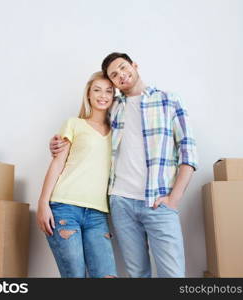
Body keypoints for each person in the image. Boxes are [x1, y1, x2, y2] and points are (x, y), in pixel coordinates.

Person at [50, 53, 198, 277]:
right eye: (114, 75)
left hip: (159, 202)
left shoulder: (169, 100)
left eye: (123, 68)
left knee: (173, 274)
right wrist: (57, 144)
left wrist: (173, 199)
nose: (121, 75)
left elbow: (188, 153)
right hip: (121, 203)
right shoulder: (114, 107)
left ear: (134, 65)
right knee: (137, 274)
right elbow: (90, 131)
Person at [37, 71, 117, 278]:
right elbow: (57, 163)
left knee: (107, 276)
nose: (103, 95)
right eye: (97, 90)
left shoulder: (118, 131)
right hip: (64, 208)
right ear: (88, 94)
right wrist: (43, 203)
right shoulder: (74, 124)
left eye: (109, 91)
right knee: (75, 276)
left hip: (98, 214)